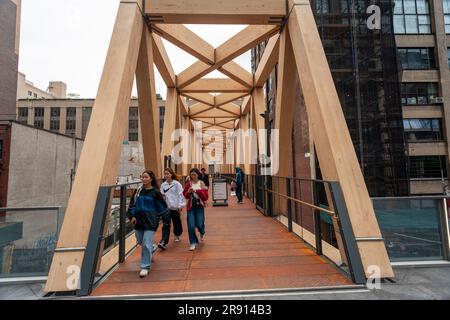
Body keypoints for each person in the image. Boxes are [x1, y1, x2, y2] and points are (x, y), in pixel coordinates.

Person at [127, 171, 169, 278]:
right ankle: (152, 247)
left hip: (151, 221)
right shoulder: (138, 191)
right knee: (141, 241)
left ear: (151, 179)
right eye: (142, 177)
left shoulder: (155, 192)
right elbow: (132, 205)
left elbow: (162, 206)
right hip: (139, 221)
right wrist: (132, 216)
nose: (144, 179)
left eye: (146, 177)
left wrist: (165, 219)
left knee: (146, 243)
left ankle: (145, 267)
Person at [183, 168, 209, 251]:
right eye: (191, 174)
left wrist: (197, 191)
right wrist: (188, 192)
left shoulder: (201, 183)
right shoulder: (188, 184)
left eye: (194, 174)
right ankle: (193, 242)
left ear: (198, 174)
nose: (192, 176)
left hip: (199, 206)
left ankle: (202, 231)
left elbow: (206, 197)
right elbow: (185, 195)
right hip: (191, 207)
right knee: (191, 225)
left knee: (199, 224)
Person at [160, 168, 186, 247]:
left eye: (168, 173)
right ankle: (164, 241)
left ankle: (177, 234)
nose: (166, 175)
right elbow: (161, 196)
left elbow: (181, 195)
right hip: (166, 208)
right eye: (165, 174)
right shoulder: (163, 185)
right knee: (166, 224)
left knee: (176, 222)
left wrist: (180, 205)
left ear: (171, 174)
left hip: (175, 207)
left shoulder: (177, 184)